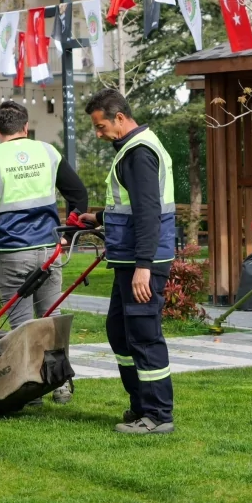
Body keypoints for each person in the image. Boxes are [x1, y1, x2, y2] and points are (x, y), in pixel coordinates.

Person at [0, 101, 88, 405]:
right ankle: (60, 385)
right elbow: (78, 194)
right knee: (51, 319)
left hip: (11, 253)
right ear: (26, 126)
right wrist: (69, 233)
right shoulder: (47, 152)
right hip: (48, 249)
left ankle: (29, 389)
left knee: (21, 326)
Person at [79, 89, 176, 435]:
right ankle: (141, 404)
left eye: (101, 126)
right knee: (120, 331)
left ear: (119, 118)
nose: (99, 133)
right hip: (130, 258)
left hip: (143, 261)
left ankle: (158, 415)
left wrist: (144, 266)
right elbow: (133, 207)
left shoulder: (139, 153)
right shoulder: (132, 150)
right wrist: (100, 217)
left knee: (144, 335)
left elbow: (149, 212)